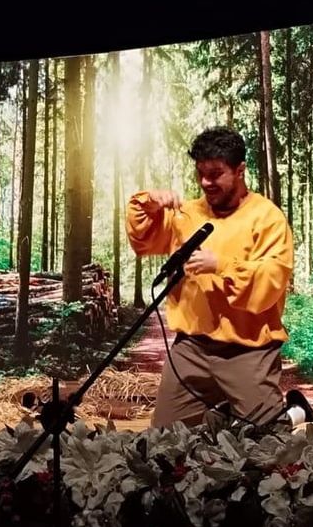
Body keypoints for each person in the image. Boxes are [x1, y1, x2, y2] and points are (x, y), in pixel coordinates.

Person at [125, 126, 294, 428]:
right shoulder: (187, 214)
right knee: (164, 439)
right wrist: (148, 204)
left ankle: (292, 412)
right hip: (191, 350)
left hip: (248, 350)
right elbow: (143, 241)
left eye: (215, 174)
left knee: (270, 439)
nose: (205, 182)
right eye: (201, 173)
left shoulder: (267, 217)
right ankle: (221, 417)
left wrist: (221, 265)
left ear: (240, 170)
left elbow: (271, 280)